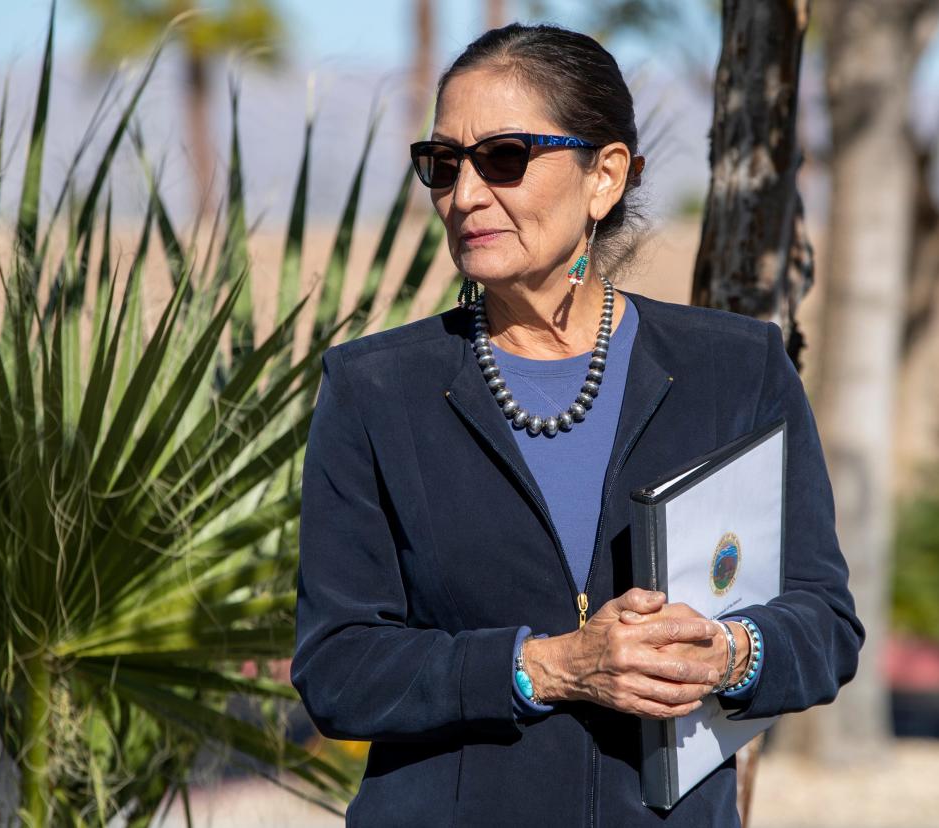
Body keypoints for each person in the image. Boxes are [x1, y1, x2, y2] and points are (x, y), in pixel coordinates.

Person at [290, 22, 865, 828]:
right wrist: (546, 668)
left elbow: (825, 627)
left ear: (605, 176)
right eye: (443, 164)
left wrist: (731, 653)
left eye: (504, 158)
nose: (464, 195)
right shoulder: (375, 390)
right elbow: (337, 667)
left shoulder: (736, 370)